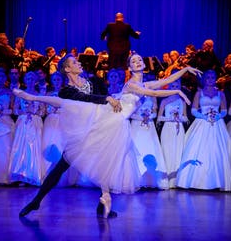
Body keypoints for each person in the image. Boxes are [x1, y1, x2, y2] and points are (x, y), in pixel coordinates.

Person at [14, 53, 200, 218]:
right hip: (91, 124)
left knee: (106, 163)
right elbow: (77, 101)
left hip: (109, 122)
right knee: (64, 163)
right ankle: (37, 199)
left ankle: (103, 202)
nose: (79, 62)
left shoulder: (96, 82)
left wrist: (184, 69)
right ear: (66, 69)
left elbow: (160, 83)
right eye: (74, 62)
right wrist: (176, 90)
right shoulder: (67, 89)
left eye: (139, 60)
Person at [175, 69, 231, 192]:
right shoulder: (199, 93)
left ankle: (217, 181)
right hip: (202, 123)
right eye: (207, 77)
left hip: (216, 124)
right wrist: (205, 117)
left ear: (215, 78)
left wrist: (216, 117)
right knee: (199, 148)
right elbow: (193, 110)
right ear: (204, 79)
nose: (210, 79)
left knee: (217, 150)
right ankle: (197, 181)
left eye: (212, 77)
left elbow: (224, 111)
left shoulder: (221, 94)